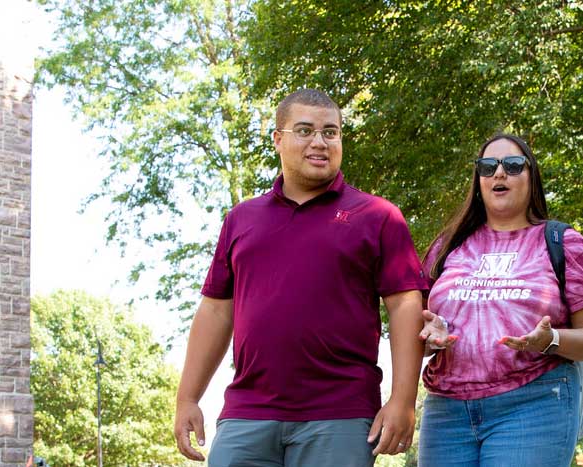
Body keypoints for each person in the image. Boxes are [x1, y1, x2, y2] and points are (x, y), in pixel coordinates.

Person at [171, 89, 429, 466]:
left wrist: (403, 400)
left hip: (340, 414)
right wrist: (188, 398)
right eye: (305, 130)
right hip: (248, 412)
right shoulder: (241, 219)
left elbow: (406, 305)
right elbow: (215, 311)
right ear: (278, 139)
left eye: (331, 132)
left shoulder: (377, 216)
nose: (319, 142)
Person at [415, 133, 583, 467]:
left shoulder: (565, 243)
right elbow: (413, 336)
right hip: (447, 412)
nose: (499, 173)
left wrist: (551, 340)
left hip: (533, 404)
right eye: (487, 167)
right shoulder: (445, 247)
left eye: (512, 165)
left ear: (531, 177)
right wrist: (427, 338)